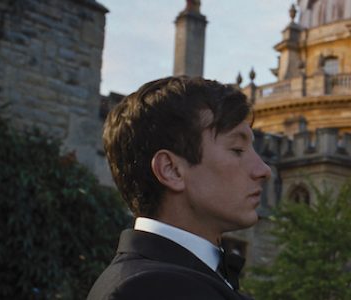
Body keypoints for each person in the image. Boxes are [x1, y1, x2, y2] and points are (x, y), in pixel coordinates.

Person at [88, 76, 271, 299]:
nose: (264, 170)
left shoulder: (168, 279)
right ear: (171, 170)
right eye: (237, 150)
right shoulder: (149, 288)